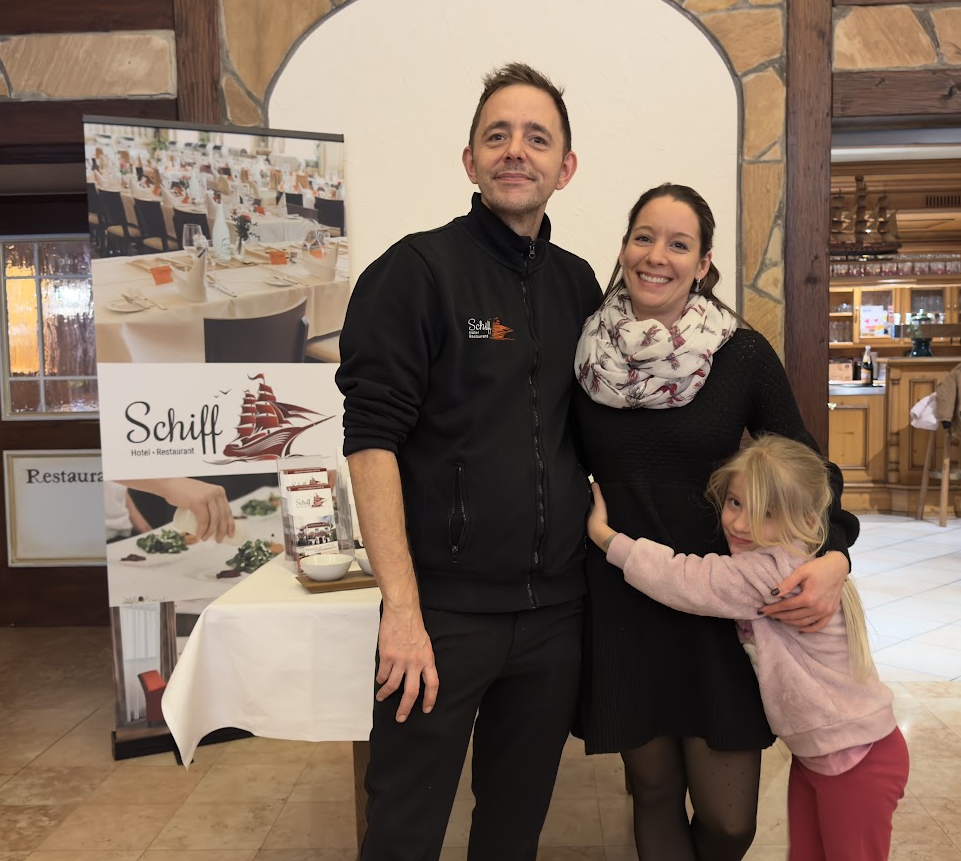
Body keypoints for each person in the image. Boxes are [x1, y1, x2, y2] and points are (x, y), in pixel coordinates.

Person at [336, 63, 601, 861]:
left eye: (536, 138)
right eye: (497, 135)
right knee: (403, 835)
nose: (515, 150)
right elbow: (371, 442)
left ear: (565, 167)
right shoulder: (416, 273)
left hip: (553, 616)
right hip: (442, 618)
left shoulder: (578, 284)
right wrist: (402, 611)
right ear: (470, 160)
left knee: (512, 835)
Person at [572, 184, 860, 860]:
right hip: (620, 597)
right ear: (624, 248)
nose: (657, 256)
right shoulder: (583, 352)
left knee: (730, 822)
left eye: (678, 244)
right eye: (644, 237)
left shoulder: (740, 354)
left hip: (720, 604)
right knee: (652, 791)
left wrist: (837, 552)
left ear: (703, 263)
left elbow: (810, 470)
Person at [587, 435, 906, 861]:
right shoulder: (796, 555)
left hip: (856, 759)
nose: (740, 524)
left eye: (766, 513)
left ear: (809, 520)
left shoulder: (773, 572)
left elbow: (683, 579)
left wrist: (605, 537)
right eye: (735, 503)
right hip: (822, 755)